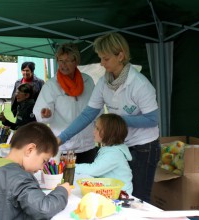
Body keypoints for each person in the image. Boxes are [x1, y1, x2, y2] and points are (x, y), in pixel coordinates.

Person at [58, 33, 160, 203]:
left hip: (144, 147)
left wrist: (117, 120)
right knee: (119, 193)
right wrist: (61, 139)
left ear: (120, 56)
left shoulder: (140, 85)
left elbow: (152, 119)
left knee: (138, 198)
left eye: (105, 59)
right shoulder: (104, 83)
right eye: (100, 58)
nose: (101, 63)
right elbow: (88, 114)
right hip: (120, 143)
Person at [0, 122, 71, 220]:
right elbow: (43, 209)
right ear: (30, 150)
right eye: (44, 161)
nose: (41, 168)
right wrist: (62, 191)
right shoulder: (20, 177)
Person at [33, 43, 97, 164]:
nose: (63, 65)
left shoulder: (88, 81)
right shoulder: (51, 85)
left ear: (76, 61)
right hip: (63, 146)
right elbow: (40, 112)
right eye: (60, 60)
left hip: (87, 145)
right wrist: (45, 114)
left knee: (88, 181)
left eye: (67, 61)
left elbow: (96, 108)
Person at [75, 113, 133, 195]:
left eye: (98, 129)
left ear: (109, 133)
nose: (94, 131)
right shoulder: (111, 149)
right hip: (112, 191)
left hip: (120, 195)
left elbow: (94, 170)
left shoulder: (113, 154)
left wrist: (73, 167)